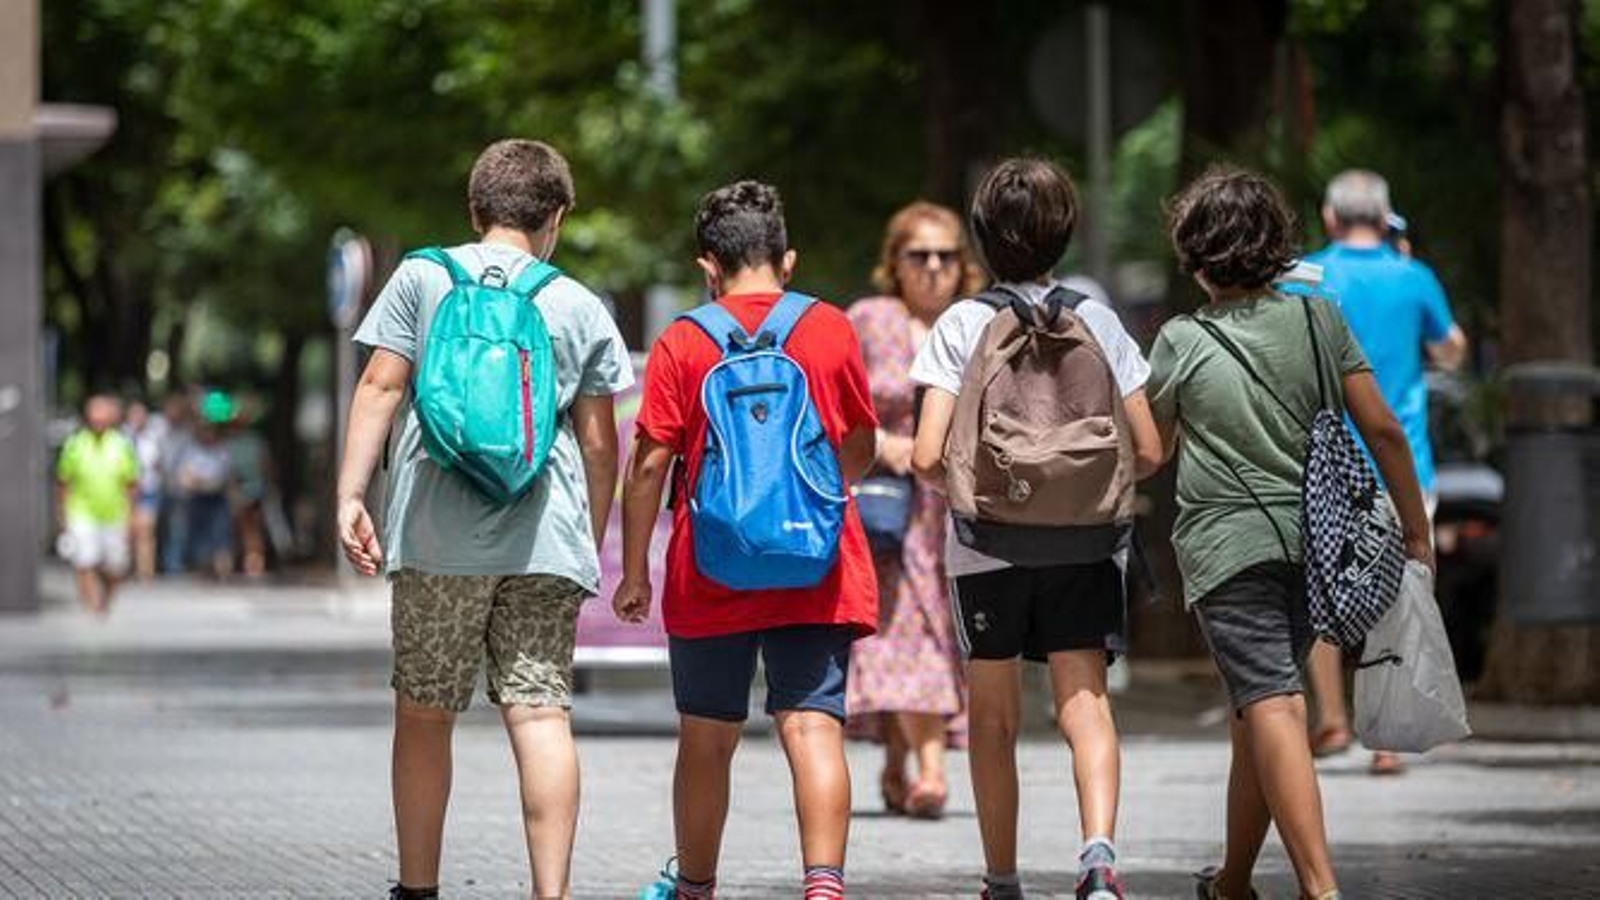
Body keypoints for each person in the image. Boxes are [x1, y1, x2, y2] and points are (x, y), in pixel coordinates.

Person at [336, 138, 631, 900]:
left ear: (475, 211)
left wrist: (350, 495)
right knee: (540, 716)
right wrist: (587, 539)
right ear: (557, 216)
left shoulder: (423, 277)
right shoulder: (577, 303)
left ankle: (418, 888)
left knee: (424, 714)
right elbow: (601, 445)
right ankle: (551, 893)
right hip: (543, 541)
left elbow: (379, 386)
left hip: (436, 537)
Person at [1145, 166, 1434, 900]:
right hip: (1317, 547)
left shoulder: (1181, 339)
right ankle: (1232, 882)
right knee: (1257, 709)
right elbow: (1383, 429)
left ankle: (1319, 887)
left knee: (1272, 701)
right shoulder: (1318, 320)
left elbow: (1153, 449)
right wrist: (1414, 528)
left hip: (1225, 549)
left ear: (1195, 257)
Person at [613, 180, 879, 900]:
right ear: (786, 260)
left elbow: (648, 466)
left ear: (708, 266)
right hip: (816, 561)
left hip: (711, 564)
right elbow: (859, 445)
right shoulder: (829, 328)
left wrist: (635, 572)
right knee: (812, 725)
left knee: (706, 736)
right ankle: (823, 888)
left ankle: (696, 887)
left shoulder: (682, 341)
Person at [909, 158, 1163, 900]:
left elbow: (925, 455)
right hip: (1087, 544)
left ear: (981, 236)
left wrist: (982, 485)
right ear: (1066, 233)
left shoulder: (962, 323)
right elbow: (1149, 450)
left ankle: (1003, 879)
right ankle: (1099, 861)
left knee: (993, 717)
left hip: (985, 547)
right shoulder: (1100, 321)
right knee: (1086, 702)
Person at [1298, 169, 1467, 776]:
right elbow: (1452, 351)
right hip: (1404, 459)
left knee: (1318, 586)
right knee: (1399, 590)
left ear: (1330, 217)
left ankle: (1332, 717)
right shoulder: (1414, 277)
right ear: (1384, 215)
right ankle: (1388, 738)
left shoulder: (1307, 277)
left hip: (1323, 462)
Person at [844, 201, 983, 820]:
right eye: (918, 254)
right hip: (886, 506)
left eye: (945, 255)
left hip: (956, 509)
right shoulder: (868, 320)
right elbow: (832, 408)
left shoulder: (978, 326)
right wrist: (886, 445)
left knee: (941, 633)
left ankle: (899, 760)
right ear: (894, 262)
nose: (932, 266)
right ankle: (930, 770)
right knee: (900, 631)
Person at [56, 394, 140, 616]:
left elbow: (131, 484)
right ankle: (91, 604)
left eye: (102, 414)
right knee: (84, 560)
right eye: (94, 413)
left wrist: (132, 516)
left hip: (114, 513)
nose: (98, 419)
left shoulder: (122, 445)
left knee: (115, 565)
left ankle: (105, 601)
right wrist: (63, 514)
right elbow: (64, 481)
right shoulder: (75, 444)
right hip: (81, 512)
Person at [180, 391, 236, 579]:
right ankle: (204, 570)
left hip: (218, 498)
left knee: (221, 535)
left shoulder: (222, 450)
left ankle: (223, 571)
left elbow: (229, 476)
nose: (208, 434)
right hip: (199, 498)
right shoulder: (192, 449)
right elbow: (185, 477)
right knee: (201, 537)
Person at [225, 402, 273, 578]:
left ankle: (253, 562)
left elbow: (265, 465)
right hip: (236, 491)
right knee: (238, 529)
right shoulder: (228, 443)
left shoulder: (255, 442)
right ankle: (238, 562)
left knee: (252, 529)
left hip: (254, 491)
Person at [123, 400, 167, 581]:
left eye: (141, 415)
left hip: (148, 490)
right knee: (127, 532)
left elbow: (159, 464)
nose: (138, 418)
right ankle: (125, 569)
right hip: (124, 492)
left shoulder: (153, 438)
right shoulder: (120, 438)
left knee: (146, 530)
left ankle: (145, 572)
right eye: (134, 414)